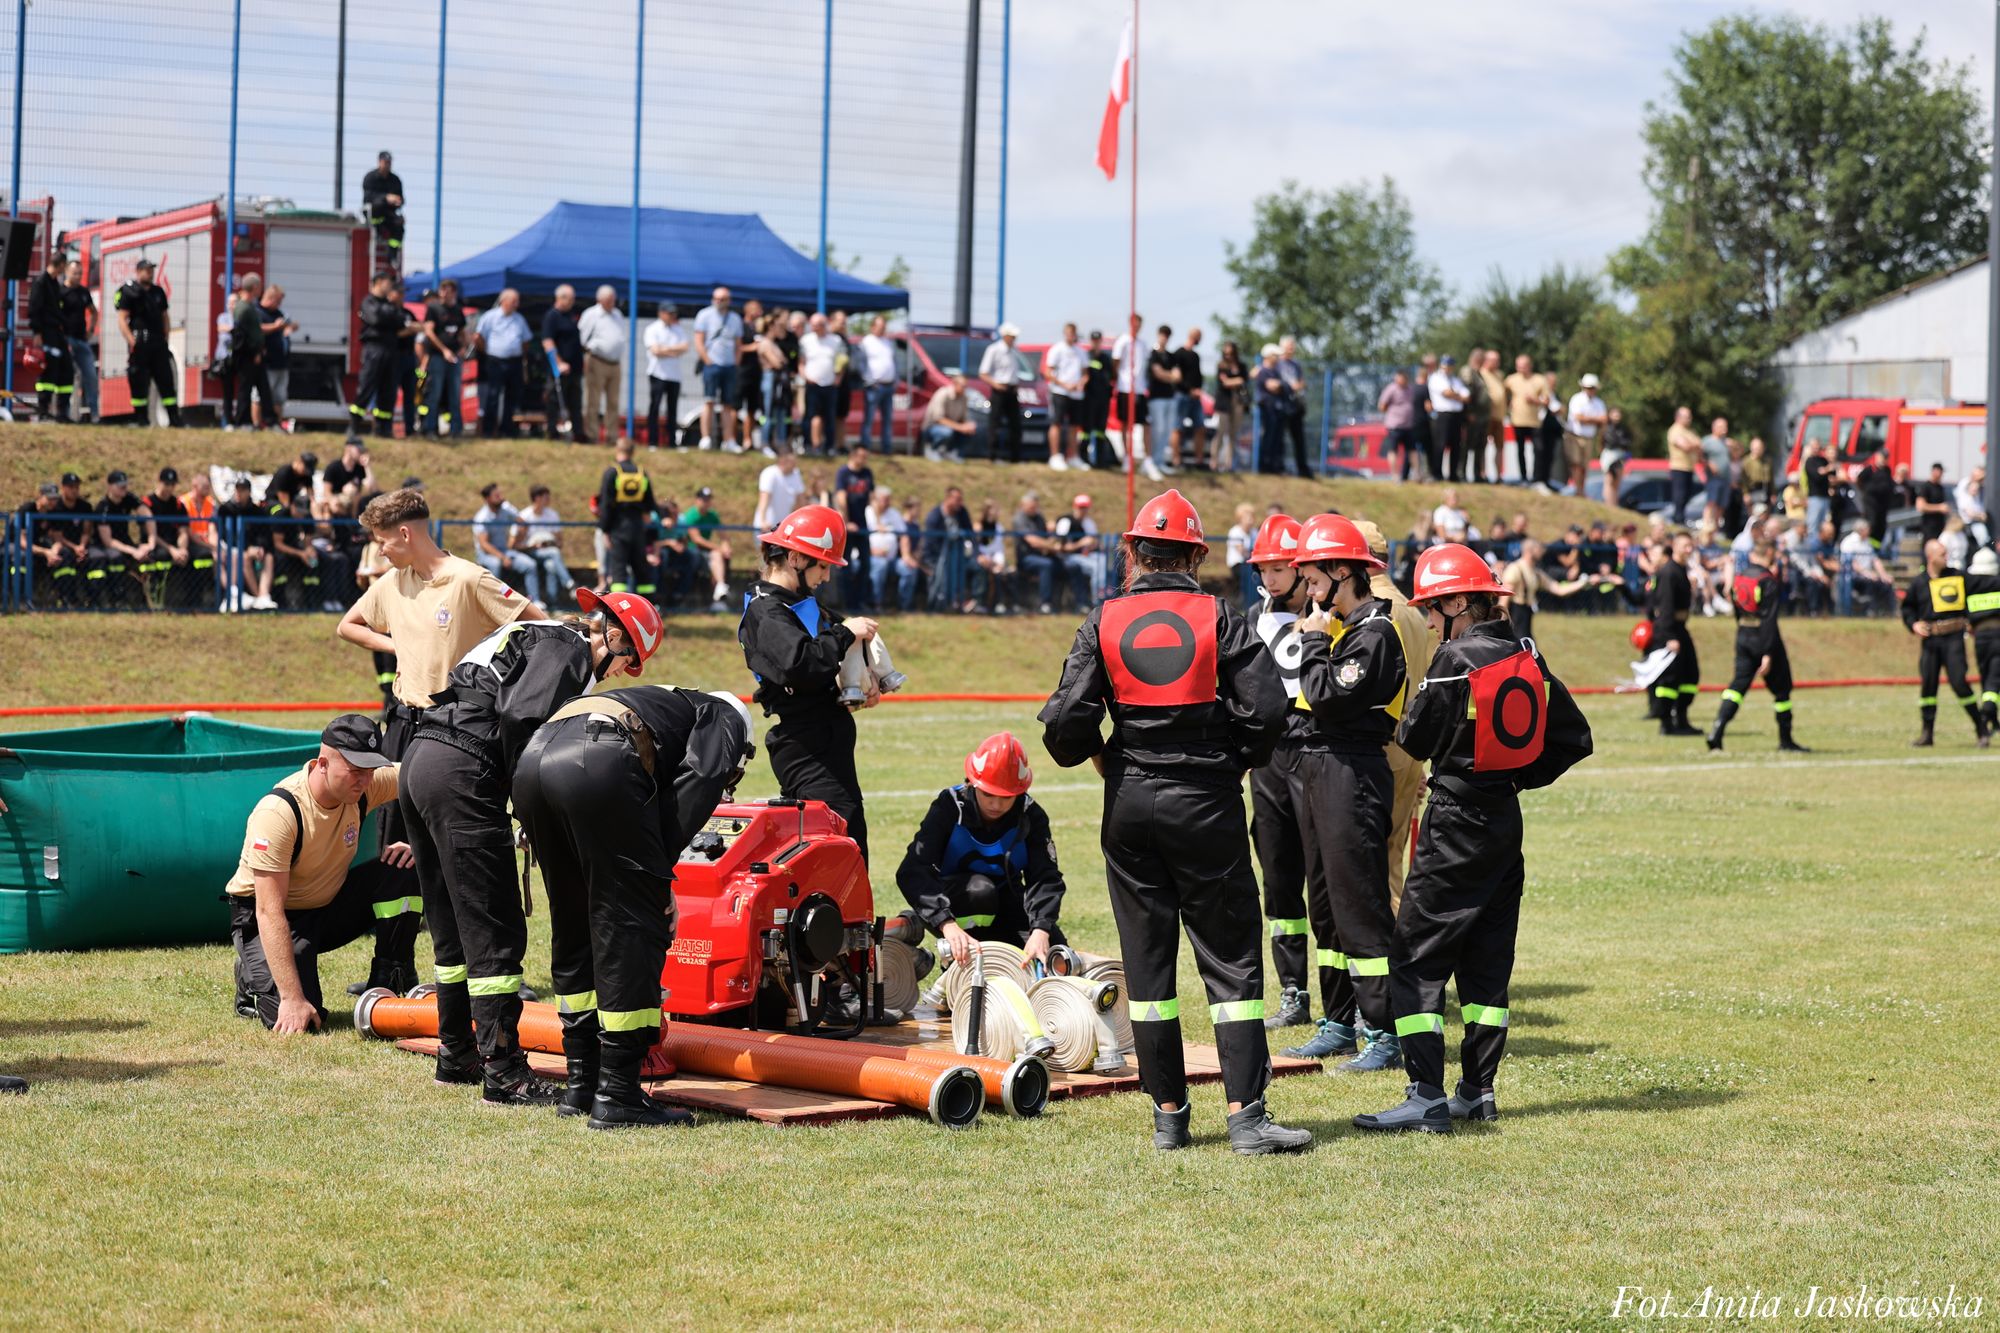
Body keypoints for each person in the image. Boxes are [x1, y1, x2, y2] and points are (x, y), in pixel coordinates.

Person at [1039, 489, 1305, 1155]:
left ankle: (1168, 1115)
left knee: (1148, 968)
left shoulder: (1102, 619)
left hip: (1130, 803)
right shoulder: (1219, 615)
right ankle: (1246, 1116)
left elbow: (1064, 726)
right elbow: (1270, 708)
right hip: (1205, 800)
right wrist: (1235, 758)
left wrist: (1104, 754)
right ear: (1195, 555)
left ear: (1133, 552)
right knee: (1232, 963)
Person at [1352, 544, 1593, 1133]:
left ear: (1460, 602)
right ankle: (1477, 1092)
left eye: (1435, 609)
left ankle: (1425, 1096)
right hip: (1503, 822)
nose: (1430, 621)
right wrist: (1513, 775)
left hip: (1455, 818)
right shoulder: (1526, 655)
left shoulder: (1454, 658)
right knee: (1487, 966)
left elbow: (1413, 735)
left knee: (1414, 959)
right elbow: (1574, 738)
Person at [403, 588, 663, 1104]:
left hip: (423, 757)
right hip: (462, 769)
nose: (617, 673)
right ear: (612, 634)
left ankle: (458, 1050)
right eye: (626, 659)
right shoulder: (566, 646)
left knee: (453, 924)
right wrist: (536, 807)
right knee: (493, 926)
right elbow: (524, 721)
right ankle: (503, 1071)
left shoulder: (537, 636)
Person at [513, 686, 753, 1129]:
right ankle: (618, 1093)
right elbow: (701, 777)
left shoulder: (661, 705)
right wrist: (654, 877)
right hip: (597, 763)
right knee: (630, 929)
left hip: (532, 765)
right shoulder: (726, 716)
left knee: (576, 921)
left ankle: (581, 1082)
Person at [1290, 512, 1412, 1075]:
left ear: (1344, 571)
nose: (1311, 594)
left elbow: (1325, 695)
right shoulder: (1349, 629)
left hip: (1354, 772)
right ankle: (1339, 1020)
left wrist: (1314, 643)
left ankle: (1385, 1030)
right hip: (1322, 768)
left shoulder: (1375, 633)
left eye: (1315, 581)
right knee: (1327, 904)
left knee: (1360, 905)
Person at [227, 715, 421, 1030]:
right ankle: (251, 978)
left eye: (371, 771)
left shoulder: (363, 785)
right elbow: (267, 910)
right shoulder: (279, 812)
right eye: (356, 771)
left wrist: (421, 843)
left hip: (326, 906)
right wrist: (291, 998)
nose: (366, 781)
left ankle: (391, 975)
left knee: (403, 869)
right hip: (269, 918)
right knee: (304, 1018)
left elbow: (429, 775)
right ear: (322, 764)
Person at [740, 504, 880, 863]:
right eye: (823, 566)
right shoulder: (765, 611)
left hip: (826, 744)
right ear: (796, 558)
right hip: (805, 747)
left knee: (847, 836)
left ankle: (849, 920)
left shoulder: (800, 604)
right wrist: (846, 632)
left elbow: (829, 654)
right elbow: (800, 664)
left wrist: (865, 680)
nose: (827, 577)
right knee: (837, 842)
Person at [1241, 515, 1320, 1035]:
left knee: (1330, 880)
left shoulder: (1328, 613)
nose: (1270, 579)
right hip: (1268, 760)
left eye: (1278, 568)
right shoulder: (1252, 616)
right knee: (1279, 879)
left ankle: (1351, 1001)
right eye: (1263, 569)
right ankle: (1293, 989)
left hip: (1317, 753)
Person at [896, 732, 1067, 969]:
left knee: (1057, 961)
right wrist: (945, 923)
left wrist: (1041, 929)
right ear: (971, 782)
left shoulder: (1031, 815)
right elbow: (913, 870)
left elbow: (1045, 877)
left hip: (1006, 900)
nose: (996, 805)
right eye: (988, 794)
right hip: (955, 904)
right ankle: (956, 962)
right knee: (980, 891)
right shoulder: (949, 807)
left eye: (1006, 797)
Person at [1705, 536, 1810, 753]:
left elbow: (1736, 609)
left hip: (1743, 636)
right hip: (1765, 640)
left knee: (1737, 687)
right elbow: (1769, 619)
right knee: (1782, 691)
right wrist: (1768, 653)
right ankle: (1785, 740)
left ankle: (1717, 730)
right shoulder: (1767, 580)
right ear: (1770, 554)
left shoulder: (1740, 577)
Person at [1903, 538, 1984, 747]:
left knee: (1959, 682)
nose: (1946, 558)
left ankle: (1981, 728)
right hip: (1931, 641)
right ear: (1930, 557)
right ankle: (1927, 734)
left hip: (1953, 639)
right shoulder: (1919, 582)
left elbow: (1983, 585)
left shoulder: (1957, 577)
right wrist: (1913, 625)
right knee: (1928, 687)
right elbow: (1907, 608)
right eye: (1942, 554)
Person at [114, 257, 184, 427]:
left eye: (151, 270)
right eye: (146, 270)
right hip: (140, 343)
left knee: (166, 381)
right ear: (138, 272)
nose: (150, 273)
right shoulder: (130, 292)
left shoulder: (158, 292)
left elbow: (164, 317)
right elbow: (122, 318)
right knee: (139, 382)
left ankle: (174, 419)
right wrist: (131, 340)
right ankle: (141, 419)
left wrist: (166, 338)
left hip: (158, 343)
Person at [1649, 530, 1702, 735]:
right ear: (1675, 546)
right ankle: (1666, 723)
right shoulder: (1669, 572)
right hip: (1670, 630)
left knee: (1690, 674)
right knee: (1670, 679)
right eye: (1684, 546)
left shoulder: (1681, 569)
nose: (1688, 550)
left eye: (1690, 546)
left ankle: (1682, 719)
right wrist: (1670, 637)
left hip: (1680, 628)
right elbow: (1665, 607)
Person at [349, 270, 412, 441]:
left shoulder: (390, 305)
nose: (390, 286)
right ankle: (354, 425)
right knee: (367, 386)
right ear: (378, 282)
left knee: (388, 390)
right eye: (388, 282)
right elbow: (375, 319)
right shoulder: (368, 302)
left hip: (391, 350)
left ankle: (384, 428)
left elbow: (401, 321)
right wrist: (390, 318)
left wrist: (390, 317)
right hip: (374, 349)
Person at [597, 439, 660, 602]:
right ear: (633, 452)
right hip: (638, 528)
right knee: (642, 570)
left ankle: (618, 610)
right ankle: (650, 607)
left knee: (618, 572)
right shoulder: (641, 473)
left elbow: (606, 505)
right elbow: (650, 503)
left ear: (617, 450)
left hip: (618, 528)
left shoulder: (612, 472)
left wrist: (605, 530)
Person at [471, 482, 544, 609]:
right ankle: (492, 603)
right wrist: (502, 557)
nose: (501, 497)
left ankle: (535, 601)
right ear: (488, 499)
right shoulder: (482, 517)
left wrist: (518, 539)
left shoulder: (506, 509)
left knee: (529, 565)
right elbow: (484, 544)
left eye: (500, 494)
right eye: (497, 495)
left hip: (505, 550)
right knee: (495, 564)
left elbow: (523, 523)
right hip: (486, 554)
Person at [474, 289, 531, 438]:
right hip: (495, 361)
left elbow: (526, 340)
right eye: (514, 301)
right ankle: (488, 430)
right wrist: (487, 351)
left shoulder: (519, 319)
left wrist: (521, 356)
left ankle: (506, 429)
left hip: (514, 361)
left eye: (517, 301)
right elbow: (478, 337)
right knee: (492, 395)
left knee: (511, 396)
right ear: (503, 301)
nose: (516, 304)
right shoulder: (490, 317)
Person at [576, 285, 628, 444]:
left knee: (613, 401)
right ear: (600, 300)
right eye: (608, 300)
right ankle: (592, 435)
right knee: (594, 400)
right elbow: (582, 337)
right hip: (597, 361)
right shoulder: (591, 315)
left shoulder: (617, 314)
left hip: (615, 363)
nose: (612, 302)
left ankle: (612, 436)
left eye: (613, 300)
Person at [693, 286, 743, 450]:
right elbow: (699, 340)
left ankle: (728, 440)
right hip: (712, 365)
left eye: (723, 299)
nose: (719, 302)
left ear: (729, 300)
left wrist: (735, 363)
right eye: (717, 298)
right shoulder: (704, 315)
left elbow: (738, 344)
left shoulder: (735, 318)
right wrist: (708, 360)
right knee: (709, 401)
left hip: (729, 366)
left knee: (728, 404)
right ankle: (706, 438)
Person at [417, 280, 469, 438]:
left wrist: (463, 348)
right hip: (438, 357)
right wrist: (444, 350)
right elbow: (429, 332)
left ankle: (456, 430)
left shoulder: (458, 310)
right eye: (442, 289)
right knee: (434, 393)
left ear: (454, 292)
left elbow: (462, 331)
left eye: (448, 290)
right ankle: (431, 429)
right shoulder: (433, 309)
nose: (444, 292)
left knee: (455, 395)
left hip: (454, 358)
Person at [27, 252, 72, 421]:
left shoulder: (54, 284)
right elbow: (34, 309)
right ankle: (43, 410)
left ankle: (62, 412)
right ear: (60, 265)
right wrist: (37, 333)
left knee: (66, 369)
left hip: (57, 332)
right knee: (49, 372)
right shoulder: (41, 283)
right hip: (45, 332)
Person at [540, 284, 585, 437]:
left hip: (575, 368)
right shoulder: (552, 316)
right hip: (559, 368)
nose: (573, 301)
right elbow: (547, 342)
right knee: (555, 400)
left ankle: (578, 432)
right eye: (570, 298)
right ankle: (552, 431)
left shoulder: (571, 315)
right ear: (560, 298)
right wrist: (558, 363)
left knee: (576, 402)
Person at [643, 303, 689, 449]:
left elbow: (685, 347)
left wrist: (665, 349)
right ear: (661, 313)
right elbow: (655, 351)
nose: (672, 316)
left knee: (672, 409)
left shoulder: (678, 329)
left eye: (673, 313)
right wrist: (674, 351)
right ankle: (652, 441)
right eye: (669, 313)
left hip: (674, 375)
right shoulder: (652, 329)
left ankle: (672, 443)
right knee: (655, 407)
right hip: (657, 373)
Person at [1966, 546, 2000, 742]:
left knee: (1986, 673)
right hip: (1998, 635)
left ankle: (1992, 719)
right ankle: (1988, 710)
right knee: (1995, 678)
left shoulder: (1971, 586)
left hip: (1980, 638)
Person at [679, 486, 732, 611]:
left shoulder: (712, 515)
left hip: (707, 552)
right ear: (697, 500)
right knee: (716, 556)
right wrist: (719, 548)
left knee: (719, 557)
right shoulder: (691, 515)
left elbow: (723, 535)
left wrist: (726, 547)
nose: (706, 502)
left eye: (708, 499)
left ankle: (720, 589)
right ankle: (719, 591)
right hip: (692, 551)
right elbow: (696, 539)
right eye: (704, 499)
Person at [1043, 322, 1087, 472]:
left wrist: (1081, 383)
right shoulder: (1057, 349)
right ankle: (1055, 456)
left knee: (1074, 426)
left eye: (1073, 333)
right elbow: (1048, 372)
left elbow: (1085, 373)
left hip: (1076, 393)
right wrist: (1064, 384)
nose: (1071, 335)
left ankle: (1073, 455)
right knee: (1056, 423)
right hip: (1060, 392)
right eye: (1068, 332)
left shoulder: (1081, 352)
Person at [59, 258, 98, 423]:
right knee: (67, 377)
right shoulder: (60, 292)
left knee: (91, 376)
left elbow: (93, 312)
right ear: (67, 272)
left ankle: (94, 414)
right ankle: (66, 413)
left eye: (80, 273)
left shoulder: (83, 292)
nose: (78, 276)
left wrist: (90, 331)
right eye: (75, 273)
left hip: (82, 341)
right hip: (66, 340)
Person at [866, 485, 916, 611]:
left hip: (892, 559)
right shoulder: (867, 513)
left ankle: (904, 606)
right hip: (871, 557)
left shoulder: (894, 514)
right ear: (875, 499)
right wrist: (872, 551)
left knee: (908, 568)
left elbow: (904, 535)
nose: (888, 503)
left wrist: (906, 555)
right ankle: (877, 604)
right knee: (880, 565)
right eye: (885, 500)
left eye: (889, 499)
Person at [858, 314, 898, 450]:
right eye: (880, 327)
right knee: (869, 419)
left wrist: (895, 380)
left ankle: (887, 448)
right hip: (873, 387)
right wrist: (868, 381)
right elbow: (860, 364)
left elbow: (894, 362)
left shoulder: (888, 342)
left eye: (884, 327)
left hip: (889, 386)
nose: (882, 329)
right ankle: (865, 448)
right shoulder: (866, 342)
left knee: (887, 420)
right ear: (872, 327)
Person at [1426, 355, 1469, 482]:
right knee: (1440, 445)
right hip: (1442, 415)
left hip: (1456, 416)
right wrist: (1458, 395)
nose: (1447, 369)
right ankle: (1437, 474)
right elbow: (1447, 393)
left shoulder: (1455, 380)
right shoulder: (1435, 378)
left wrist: (1455, 395)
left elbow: (1467, 396)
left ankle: (1453, 475)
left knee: (1456, 445)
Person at [1503, 355, 1543, 484]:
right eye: (1518, 366)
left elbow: (1547, 400)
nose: (1521, 369)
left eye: (1523, 366)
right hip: (1517, 421)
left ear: (1530, 366)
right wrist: (1508, 404)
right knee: (1520, 450)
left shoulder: (1539, 380)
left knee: (1538, 449)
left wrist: (1535, 400)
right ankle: (1523, 477)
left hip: (1534, 422)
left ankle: (1537, 477)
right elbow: (1502, 393)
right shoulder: (1511, 379)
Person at [1564, 374, 1607, 496]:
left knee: (1584, 465)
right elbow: (1579, 418)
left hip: (1589, 437)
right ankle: (1577, 490)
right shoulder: (1577, 399)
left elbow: (1603, 419)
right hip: (1575, 436)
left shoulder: (1599, 403)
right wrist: (1595, 419)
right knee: (1576, 464)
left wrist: (1588, 419)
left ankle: (1581, 490)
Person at [361, 151, 405, 267]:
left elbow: (401, 199)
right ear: (379, 162)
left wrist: (398, 201)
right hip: (374, 214)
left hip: (389, 214)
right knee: (378, 205)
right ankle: (378, 231)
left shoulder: (395, 180)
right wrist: (386, 198)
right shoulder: (370, 177)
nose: (387, 165)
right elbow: (367, 197)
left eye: (389, 162)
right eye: (385, 162)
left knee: (399, 224)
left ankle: (392, 254)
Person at [922, 368, 976, 461]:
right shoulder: (943, 394)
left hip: (952, 427)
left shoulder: (964, 398)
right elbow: (939, 419)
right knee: (946, 432)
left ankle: (950, 452)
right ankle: (932, 449)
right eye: (963, 386)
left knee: (969, 431)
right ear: (955, 384)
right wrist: (960, 427)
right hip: (932, 427)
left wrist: (969, 426)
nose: (964, 389)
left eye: (966, 386)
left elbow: (964, 418)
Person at [1253, 344, 1290, 477]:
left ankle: (1275, 466)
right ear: (1268, 356)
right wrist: (1279, 385)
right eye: (1275, 355)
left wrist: (1279, 385)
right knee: (1268, 437)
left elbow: (1280, 387)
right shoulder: (1263, 371)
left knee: (1277, 439)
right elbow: (1272, 387)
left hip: (1277, 409)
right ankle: (1265, 465)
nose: (1278, 358)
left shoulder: (1275, 372)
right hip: (1267, 409)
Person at [754, 445, 807, 532]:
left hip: (782, 529)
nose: (795, 463)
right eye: (791, 460)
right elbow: (764, 499)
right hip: (766, 528)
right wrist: (762, 521)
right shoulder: (770, 473)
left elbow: (801, 502)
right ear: (783, 460)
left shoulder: (796, 474)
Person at [1175, 328, 1207, 471]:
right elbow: (1177, 377)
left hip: (1195, 397)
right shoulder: (1179, 354)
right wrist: (1189, 390)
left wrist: (1198, 390)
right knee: (1178, 428)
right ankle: (1177, 460)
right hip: (1182, 395)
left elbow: (1198, 376)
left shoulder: (1196, 356)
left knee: (1200, 427)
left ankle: (1198, 461)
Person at [1212, 341, 1246, 471]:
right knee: (1221, 432)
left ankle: (1228, 463)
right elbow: (1224, 383)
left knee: (1233, 434)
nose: (1228, 356)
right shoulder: (1221, 366)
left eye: (1231, 354)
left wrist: (1231, 381)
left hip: (1237, 402)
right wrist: (1235, 381)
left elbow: (1243, 380)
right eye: (1226, 354)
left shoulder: (1241, 366)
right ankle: (1214, 461)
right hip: (1223, 403)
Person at [1378, 369, 1418, 482]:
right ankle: (1395, 476)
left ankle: (1417, 475)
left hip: (1408, 426)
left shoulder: (1410, 389)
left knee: (1412, 450)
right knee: (1393, 450)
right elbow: (1381, 406)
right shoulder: (1391, 389)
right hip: (1394, 426)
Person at [1916, 463, 1953, 545]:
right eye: (1940, 472)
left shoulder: (1940, 488)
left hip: (1940, 525)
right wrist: (1939, 508)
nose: (1941, 475)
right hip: (1929, 526)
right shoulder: (1926, 487)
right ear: (1934, 471)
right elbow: (1920, 506)